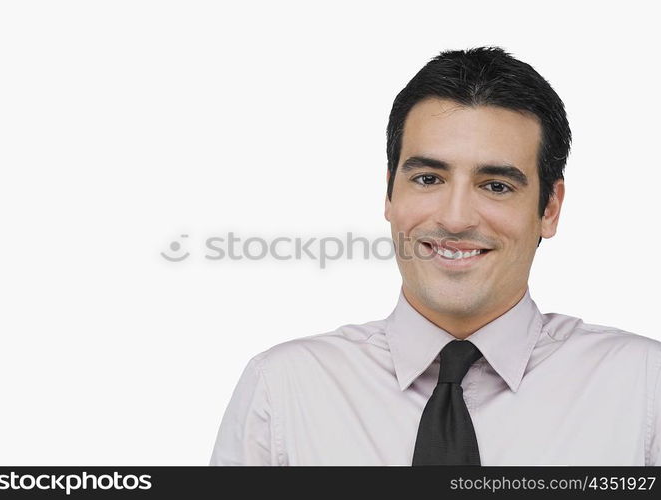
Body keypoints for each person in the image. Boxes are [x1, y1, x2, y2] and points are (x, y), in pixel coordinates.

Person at [208, 47, 661, 466]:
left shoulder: (644, 389)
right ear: (389, 193)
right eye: (427, 179)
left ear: (549, 208)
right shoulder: (283, 390)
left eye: (496, 185)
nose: (456, 217)